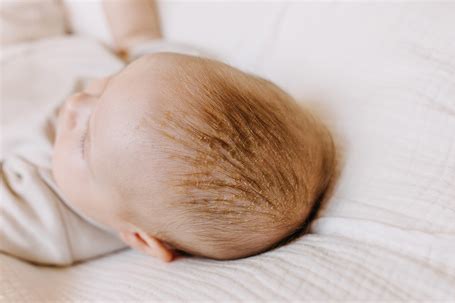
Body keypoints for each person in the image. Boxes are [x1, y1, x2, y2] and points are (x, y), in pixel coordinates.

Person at [0, 0, 335, 265]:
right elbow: (137, 37)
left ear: (141, 239)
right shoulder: (167, 88)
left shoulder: (47, 217)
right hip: (38, 37)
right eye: (112, 83)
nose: (75, 104)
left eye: (85, 142)